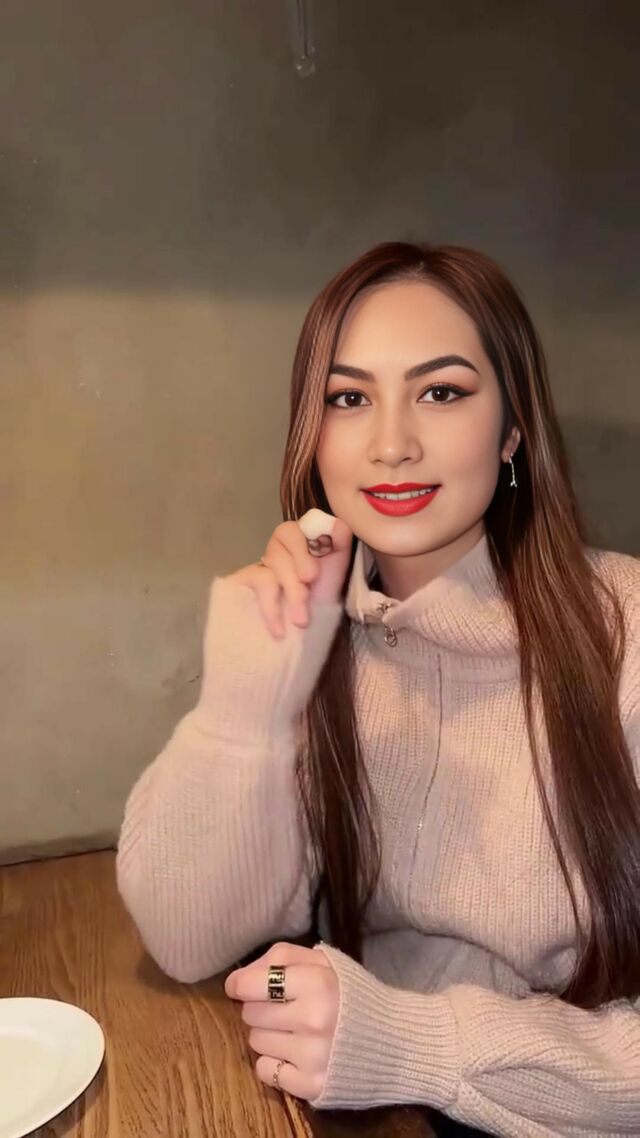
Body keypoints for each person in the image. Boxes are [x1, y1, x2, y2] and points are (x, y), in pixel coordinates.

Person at [117, 242, 640, 1137]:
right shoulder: (321, 635)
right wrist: (249, 705)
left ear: (512, 431)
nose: (392, 444)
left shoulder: (626, 633)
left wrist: (409, 1041)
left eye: (442, 392)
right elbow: (187, 941)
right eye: (349, 399)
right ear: (311, 435)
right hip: (358, 1098)